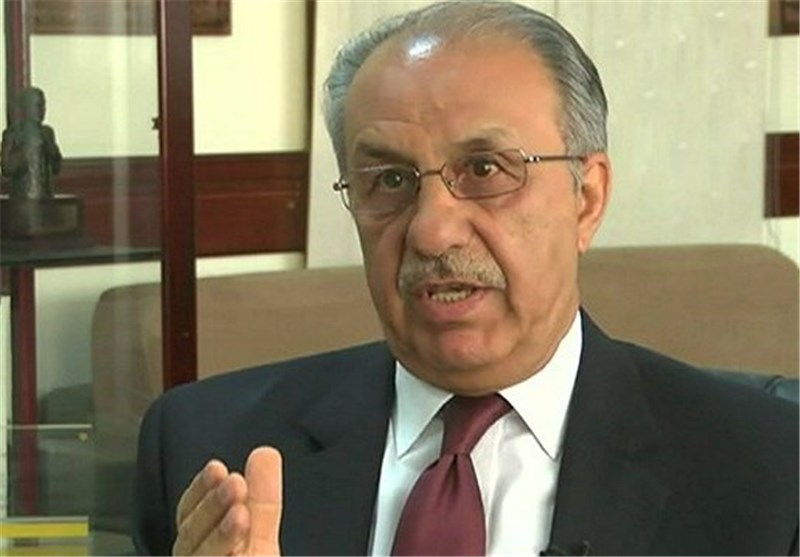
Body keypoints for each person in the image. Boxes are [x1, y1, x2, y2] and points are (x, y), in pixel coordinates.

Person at [133, 2, 798, 555]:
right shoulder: (206, 447)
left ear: (587, 198)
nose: (432, 232)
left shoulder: (771, 470)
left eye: (484, 170)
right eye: (389, 180)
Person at [1, 86, 62, 199]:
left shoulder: (47, 133)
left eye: (43, 105)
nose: (42, 110)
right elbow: (7, 169)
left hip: (46, 197)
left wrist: (52, 152)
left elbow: (57, 167)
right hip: (21, 198)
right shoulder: (12, 134)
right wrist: (27, 151)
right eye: (37, 105)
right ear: (26, 107)